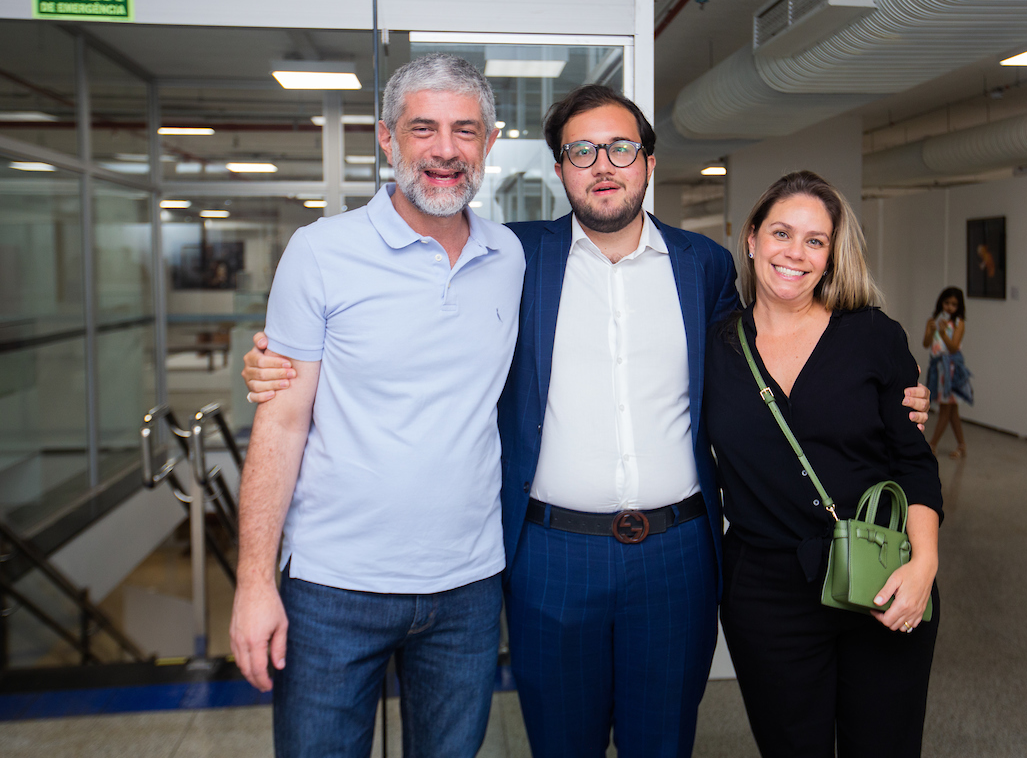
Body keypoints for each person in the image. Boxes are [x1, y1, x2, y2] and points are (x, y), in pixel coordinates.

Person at [244, 85, 932, 756]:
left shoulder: (705, 267)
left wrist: (889, 395)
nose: (603, 166)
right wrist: (283, 359)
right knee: (562, 740)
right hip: (551, 556)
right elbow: (424, 316)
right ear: (559, 171)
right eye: (582, 152)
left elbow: (772, 365)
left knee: (662, 741)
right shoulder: (512, 256)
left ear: (649, 163)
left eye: (621, 148)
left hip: (678, 554)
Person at [228, 54, 525, 758]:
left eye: (464, 130)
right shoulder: (321, 252)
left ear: (488, 143)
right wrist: (253, 584)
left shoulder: (509, 258)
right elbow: (282, 422)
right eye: (423, 129)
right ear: (388, 139)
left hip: (469, 588)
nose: (445, 150)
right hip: (334, 589)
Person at [705, 170, 942, 758]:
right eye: (782, 232)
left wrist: (925, 568)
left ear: (833, 255)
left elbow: (914, 463)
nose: (795, 252)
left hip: (881, 573)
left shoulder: (871, 336)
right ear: (752, 239)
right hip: (765, 589)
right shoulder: (714, 349)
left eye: (816, 240)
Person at [923, 286, 973, 457]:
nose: (950, 307)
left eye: (954, 304)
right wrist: (930, 330)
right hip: (938, 367)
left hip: (951, 369)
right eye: (947, 303)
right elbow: (926, 343)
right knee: (952, 411)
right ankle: (962, 445)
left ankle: (932, 444)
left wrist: (944, 333)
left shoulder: (959, 324)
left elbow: (953, 348)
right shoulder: (934, 320)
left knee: (946, 408)